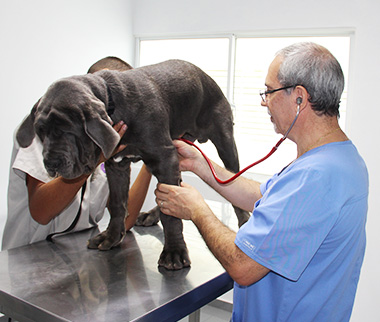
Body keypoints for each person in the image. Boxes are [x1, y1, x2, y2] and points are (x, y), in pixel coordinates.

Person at [154, 42, 369, 321]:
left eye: (269, 91)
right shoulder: (339, 159)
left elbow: (243, 266)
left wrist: (197, 210)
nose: (263, 100)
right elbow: (263, 197)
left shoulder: (316, 176)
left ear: (300, 98)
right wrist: (201, 164)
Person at [2, 57, 152, 250]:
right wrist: (93, 160)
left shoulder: (115, 137)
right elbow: (41, 211)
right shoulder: (47, 125)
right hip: (28, 260)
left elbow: (124, 219)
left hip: (79, 260)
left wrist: (150, 159)